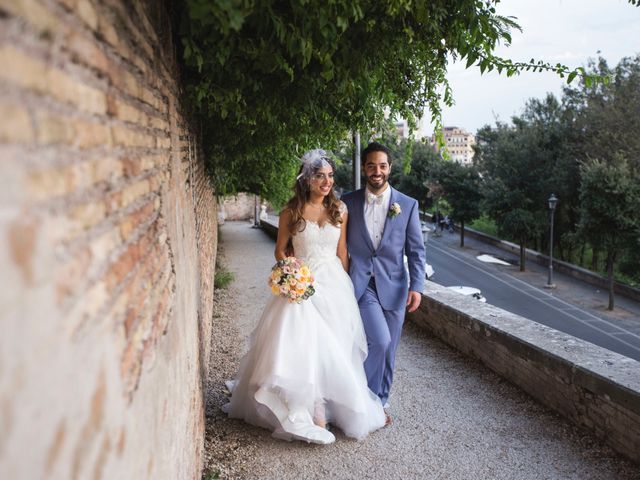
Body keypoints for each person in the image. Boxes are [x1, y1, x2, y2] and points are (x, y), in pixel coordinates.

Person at [223, 149, 386, 445]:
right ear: (307, 179)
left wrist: (347, 289)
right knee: (305, 344)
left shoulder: (339, 209)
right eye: (320, 176)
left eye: (330, 175)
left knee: (333, 348)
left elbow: (342, 253)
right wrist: (290, 271)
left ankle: (329, 407)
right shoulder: (291, 211)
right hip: (302, 283)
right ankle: (313, 410)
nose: (327, 181)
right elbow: (280, 248)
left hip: (334, 284)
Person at [341, 142, 426, 424]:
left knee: (390, 349)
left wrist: (417, 287)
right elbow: (332, 238)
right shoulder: (348, 202)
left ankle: (380, 401)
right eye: (371, 165)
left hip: (395, 287)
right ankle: (359, 399)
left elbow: (416, 251)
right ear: (364, 168)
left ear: (389, 168)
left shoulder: (408, 205)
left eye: (382, 165)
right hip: (362, 285)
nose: (376, 171)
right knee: (379, 340)